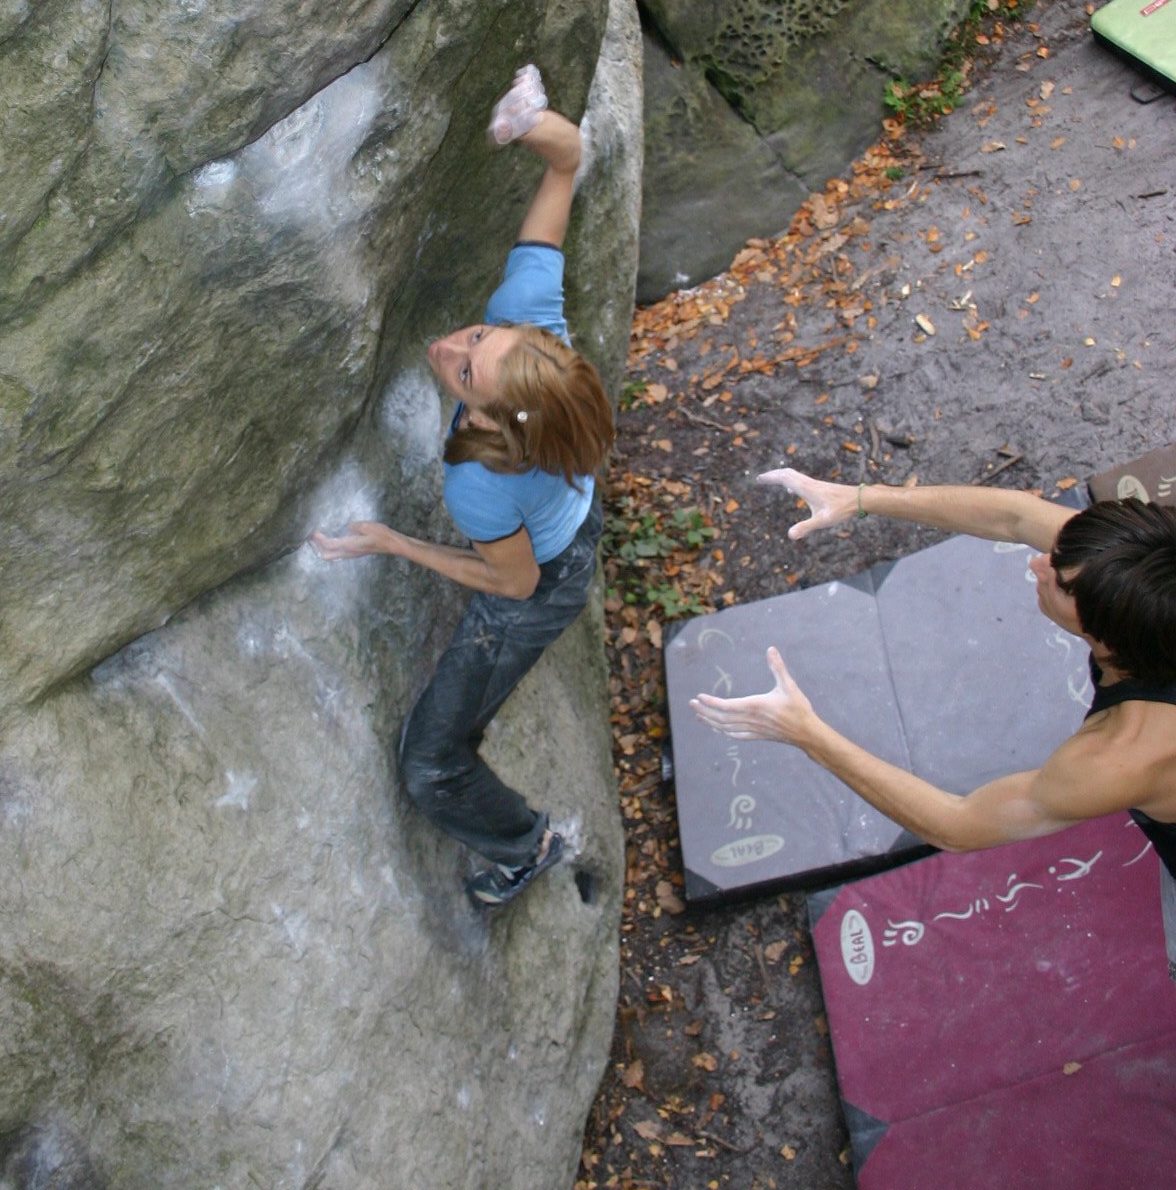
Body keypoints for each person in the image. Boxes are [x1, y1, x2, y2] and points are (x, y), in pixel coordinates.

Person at [311, 66, 614, 909]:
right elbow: (569, 162)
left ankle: (526, 844)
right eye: (479, 337)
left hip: (542, 580)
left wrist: (395, 544)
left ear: (496, 420)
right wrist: (530, 124)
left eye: (466, 372)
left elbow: (512, 583)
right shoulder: (530, 321)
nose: (449, 346)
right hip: (565, 511)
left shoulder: (482, 483)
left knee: (430, 764)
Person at [690, 469, 1176, 954]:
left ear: (1110, 637)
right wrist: (859, 497)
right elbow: (1014, 516)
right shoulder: (1143, 577)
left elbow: (957, 823)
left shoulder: (1120, 756)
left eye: (1062, 584)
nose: (1037, 564)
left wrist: (805, 732)